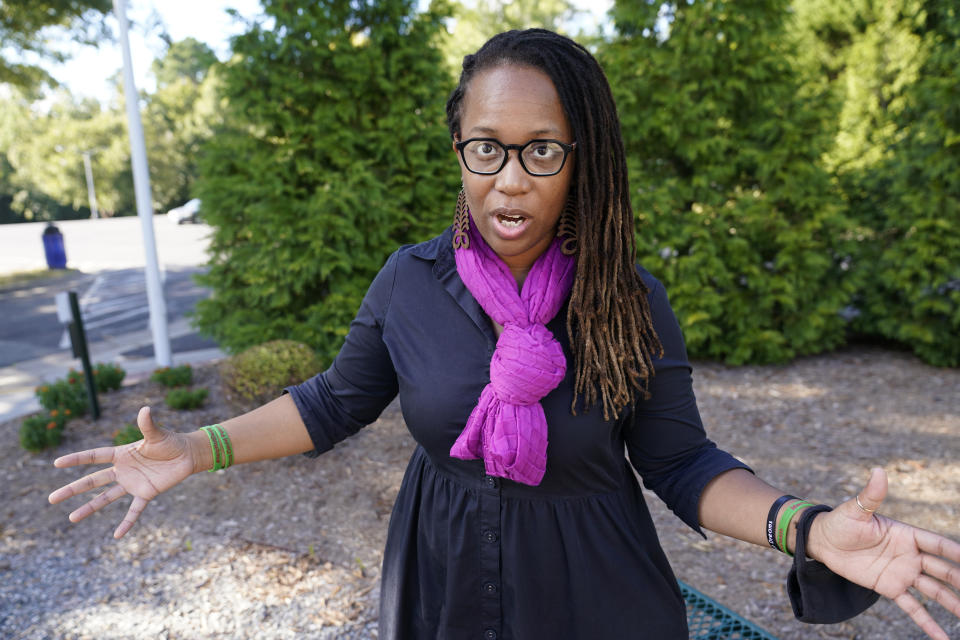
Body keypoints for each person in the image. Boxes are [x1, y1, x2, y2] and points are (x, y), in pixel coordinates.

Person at [48, 29, 959, 640]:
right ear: (459, 150)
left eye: (541, 150)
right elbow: (333, 402)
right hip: (440, 580)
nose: (509, 181)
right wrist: (197, 451)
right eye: (486, 147)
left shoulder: (627, 299)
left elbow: (681, 465)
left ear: (581, 158)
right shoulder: (412, 281)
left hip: (595, 598)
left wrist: (805, 526)